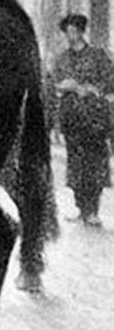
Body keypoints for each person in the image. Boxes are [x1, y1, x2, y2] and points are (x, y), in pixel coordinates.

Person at [53, 13, 114, 226]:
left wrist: (92, 88)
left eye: (74, 31)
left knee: (94, 163)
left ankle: (93, 210)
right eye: (67, 31)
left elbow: (110, 81)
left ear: (81, 31)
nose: (70, 35)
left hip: (94, 118)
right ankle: (81, 208)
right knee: (76, 164)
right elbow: (54, 82)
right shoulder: (62, 58)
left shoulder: (98, 56)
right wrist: (64, 86)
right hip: (72, 118)